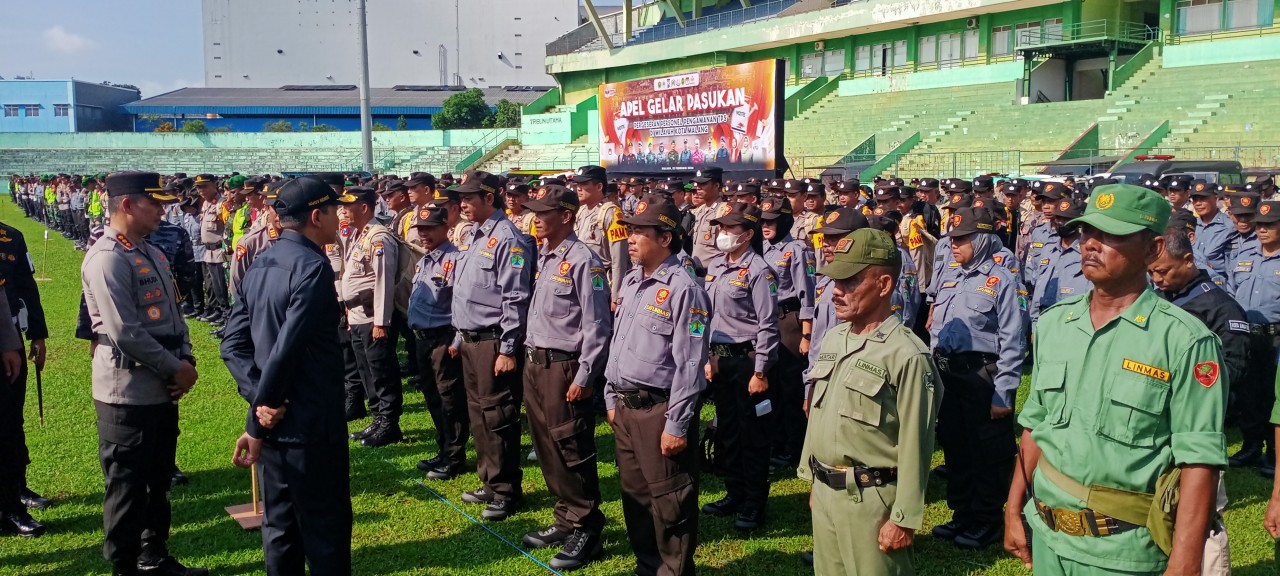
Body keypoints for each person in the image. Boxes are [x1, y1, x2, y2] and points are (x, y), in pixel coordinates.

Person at [1005, 183, 1226, 575]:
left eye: (1113, 235)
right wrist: (1013, 508)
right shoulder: (1056, 324)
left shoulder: (1184, 341)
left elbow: (1200, 461)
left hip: (1122, 551)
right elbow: (1036, 425)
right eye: (1088, 232)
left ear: (1152, 249)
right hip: (1048, 536)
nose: (1092, 244)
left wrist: (1185, 562)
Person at [223, 176, 355, 576]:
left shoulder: (259, 261)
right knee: (325, 532)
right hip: (309, 423)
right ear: (317, 215)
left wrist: (259, 407)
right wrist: (266, 407)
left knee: (280, 529)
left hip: (275, 423)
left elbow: (233, 346)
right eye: (335, 209)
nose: (340, 216)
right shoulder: (313, 268)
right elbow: (287, 350)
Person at [81, 171, 205, 576]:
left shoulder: (148, 250)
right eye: (155, 202)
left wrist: (186, 359)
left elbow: (174, 313)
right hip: (128, 392)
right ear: (129, 205)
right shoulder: (108, 258)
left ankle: (154, 556)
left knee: (157, 481)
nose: (163, 209)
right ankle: (124, 568)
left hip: (162, 386)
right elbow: (124, 331)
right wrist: (177, 368)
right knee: (127, 487)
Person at [800, 227, 943, 575]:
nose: (836, 291)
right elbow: (819, 412)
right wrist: (812, 475)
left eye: (850, 282)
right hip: (827, 493)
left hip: (871, 501)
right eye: (835, 280)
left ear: (883, 285)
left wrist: (904, 518)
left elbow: (917, 442)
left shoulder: (907, 355)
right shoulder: (834, 338)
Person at [606, 197, 710, 576]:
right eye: (630, 230)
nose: (629, 238)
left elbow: (691, 363)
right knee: (635, 498)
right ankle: (647, 567)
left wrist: (677, 423)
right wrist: (610, 396)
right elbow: (618, 345)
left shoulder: (685, 289)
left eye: (639, 232)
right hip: (627, 408)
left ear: (665, 238)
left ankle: (673, 570)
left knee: (670, 503)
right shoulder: (633, 281)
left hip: (659, 411)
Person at [517, 185, 611, 569]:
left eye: (544, 212)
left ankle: (587, 528)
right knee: (547, 446)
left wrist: (586, 375)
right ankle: (566, 518)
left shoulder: (585, 260)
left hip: (565, 367)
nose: (535, 217)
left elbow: (598, 326)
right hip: (536, 364)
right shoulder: (546, 255)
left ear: (566, 216)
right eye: (534, 211)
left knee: (570, 447)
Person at [929, 206, 1026, 550]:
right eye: (952, 238)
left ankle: (986, 519)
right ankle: (962, 513)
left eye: (962, 238)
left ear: (982, 239)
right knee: (956, 446)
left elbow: (1014, 340)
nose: (954, 245)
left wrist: (1004, 394)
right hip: (949, 374)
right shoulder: (951, 275)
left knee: (987, 452)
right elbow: (936, 328)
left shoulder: (1002, 280)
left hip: (984, 374)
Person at [451, 170, 535, 521]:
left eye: (470, 198)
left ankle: (506, 490)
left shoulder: (508, 238)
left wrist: (506, 349)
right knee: (478, 415)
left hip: (493, 342)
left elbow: (514, 297)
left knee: (497, 416)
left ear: (489, 198)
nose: (463, 204)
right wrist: (458, 335)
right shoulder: (475, 234)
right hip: (471, 340)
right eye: (462, 198)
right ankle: (489, 478)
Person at [701, 202, 779, 530]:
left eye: (729, 229)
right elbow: (707, 315)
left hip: (748, 362)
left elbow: (767, 324)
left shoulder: (760, 270)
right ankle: (734, 492)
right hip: (720, 361)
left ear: (747, 234)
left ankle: (754, 501)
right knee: (727, 431)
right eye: (720, 228)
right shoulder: (716, 267)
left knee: (752, 434)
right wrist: (707, 357)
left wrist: (760, 371)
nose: (721, 234)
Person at [340, 187, 404, 447]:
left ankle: (389, 422)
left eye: (348, 205)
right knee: (367, 370)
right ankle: (378, 417)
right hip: (356, 315)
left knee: (382, 370)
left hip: (372, 317)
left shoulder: (379, 237)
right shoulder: (360, 234)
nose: (343, 210)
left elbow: (384, 282)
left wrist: (381, 321)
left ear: (364, 207)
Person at [759, 196, 816, 468]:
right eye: (763, 221)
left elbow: (807, 294)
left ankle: (796, 448)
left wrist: (806, 334)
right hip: (770, 321)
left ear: (784, 221)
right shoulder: (763, 249)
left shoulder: (797, 250)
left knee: (792, 387)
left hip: (791, 321)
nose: (766, 226)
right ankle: (778, 441)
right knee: (775, 387)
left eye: (771, 221)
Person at [0, 218, 50, 521]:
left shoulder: (11, 238)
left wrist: (38, 335)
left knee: (11, 421)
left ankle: (16, 487)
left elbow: (26, 289)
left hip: (10, 342)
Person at [1226, 199, 1280, 475]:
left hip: (1275, 339)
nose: (1262, 230)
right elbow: (1232, 288)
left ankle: (1273, 453)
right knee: (1248, 393)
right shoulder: (1244, 253)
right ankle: (1250, 447)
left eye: (1269, 225)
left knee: (1273, 397)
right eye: (1260, 225)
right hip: (1247, 336)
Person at [570, 166, 629, 307]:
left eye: (584, 184)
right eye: (577, 185)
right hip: (579, 283)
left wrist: (616, 295)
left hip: (601, 284)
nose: (579, 188)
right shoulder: (580, 211)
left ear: (599, 186)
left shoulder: (611, 213)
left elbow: (619, 260)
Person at [688, 167, 727, 270]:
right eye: (698, 184)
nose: (698, 188)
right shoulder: (700, 210)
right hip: (696, 272)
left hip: (714, 272)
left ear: (716, 186)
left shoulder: (724, 211)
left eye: (703, 184)